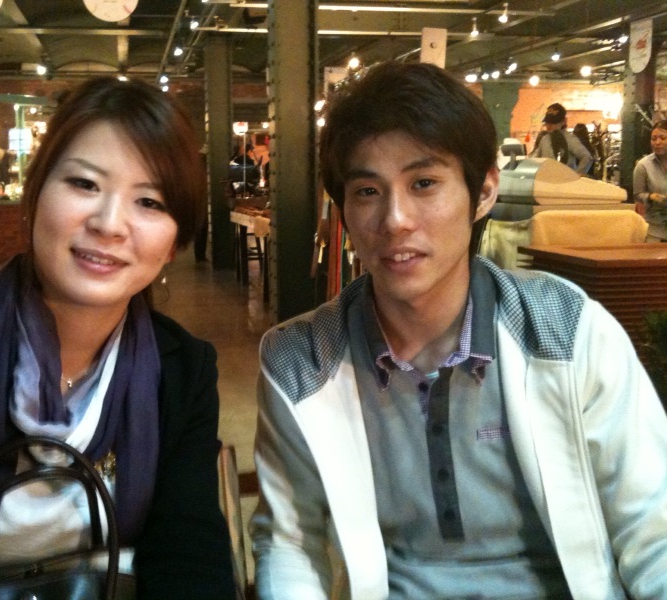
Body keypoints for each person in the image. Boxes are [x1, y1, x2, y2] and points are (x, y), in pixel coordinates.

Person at [250, 61, 667, 599]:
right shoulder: (301, 360)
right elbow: (289, 542)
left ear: (485, 191)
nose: (395, 219)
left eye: (424, 183)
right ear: (345, 211)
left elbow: (653, 525)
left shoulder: (566, 328)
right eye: (368, 191)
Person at [0, 77, 236, 599]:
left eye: (150, 202)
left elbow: (189, 557)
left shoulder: (183, 372)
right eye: (85, 184)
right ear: (35, 194)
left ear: (174, 243)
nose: (110, 224)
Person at [529, 102, 594, 175]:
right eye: (547, 122)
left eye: (554, 122)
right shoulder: (545, 139)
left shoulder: (569, 139)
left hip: (564, 179)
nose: (549, 125)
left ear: (563, 121)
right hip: (547, 179)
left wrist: (576, 176)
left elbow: (587, 157)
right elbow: (535, 159)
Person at [633, 119, 667, 241]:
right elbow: (637, 195)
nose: (657, 142)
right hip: (654, 231)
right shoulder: (643, 166)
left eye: (662, 138)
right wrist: (650, 197)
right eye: (653, 139)